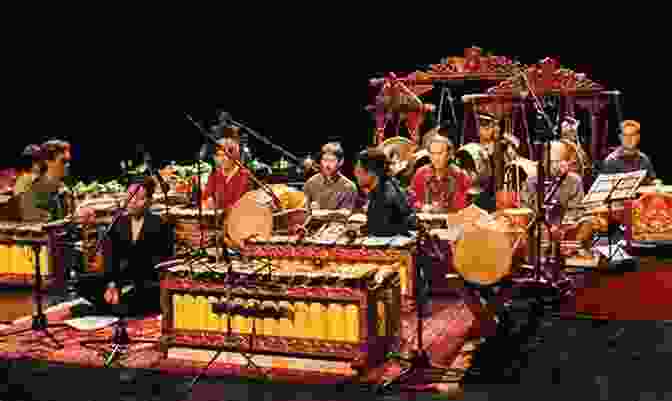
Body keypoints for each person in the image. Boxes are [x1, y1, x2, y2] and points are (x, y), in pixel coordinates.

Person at [72, 176, 174, 317]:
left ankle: (99, 310)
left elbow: (161, 264)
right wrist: (112, 284)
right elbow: (111, 258)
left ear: (150, 201)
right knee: (82, 282)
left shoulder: (160, 225)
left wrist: (127, 285)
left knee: (144, 295)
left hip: (146, 283)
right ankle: (114, 308)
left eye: (139, 198)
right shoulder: (119, 223)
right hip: (121, 280)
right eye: (130, 197)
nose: (132, 202)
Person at [353, 148, 416, 237]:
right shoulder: (387, 183)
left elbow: (381, 232)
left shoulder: (384, 198)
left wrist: (361, 230)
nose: (355, 174)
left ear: (372, 172)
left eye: (359, 171)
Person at [409, 135, 472, 213]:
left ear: (449, 154)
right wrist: (422, 207)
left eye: (440, 153)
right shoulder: (421, 173)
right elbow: (411, 200)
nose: (436, 158)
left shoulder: (460, 176)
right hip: (424, 223)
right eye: (432, 153)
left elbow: (465, 207)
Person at [19, 139, 73, 222]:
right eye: (63, 161)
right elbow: (29, 221)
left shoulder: (64, 189)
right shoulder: (31, 191)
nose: (67, 165)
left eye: (68, 161)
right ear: (47, 161)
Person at [203, 126, 250, 212]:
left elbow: (241, 206)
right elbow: (206, 198)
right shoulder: (214, 175)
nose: (224, 158)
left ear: (236, 152)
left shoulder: (245, 176)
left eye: (229, 152)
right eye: (219, 154)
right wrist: (208, 202)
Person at [303, 142, 357, 210]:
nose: (327, 165)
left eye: (332, 161)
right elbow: (305, 212)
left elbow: (344, 215)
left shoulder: (349, 187)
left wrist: (320, 213)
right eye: (325, 160)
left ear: (341, 162)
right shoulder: (310, 183)